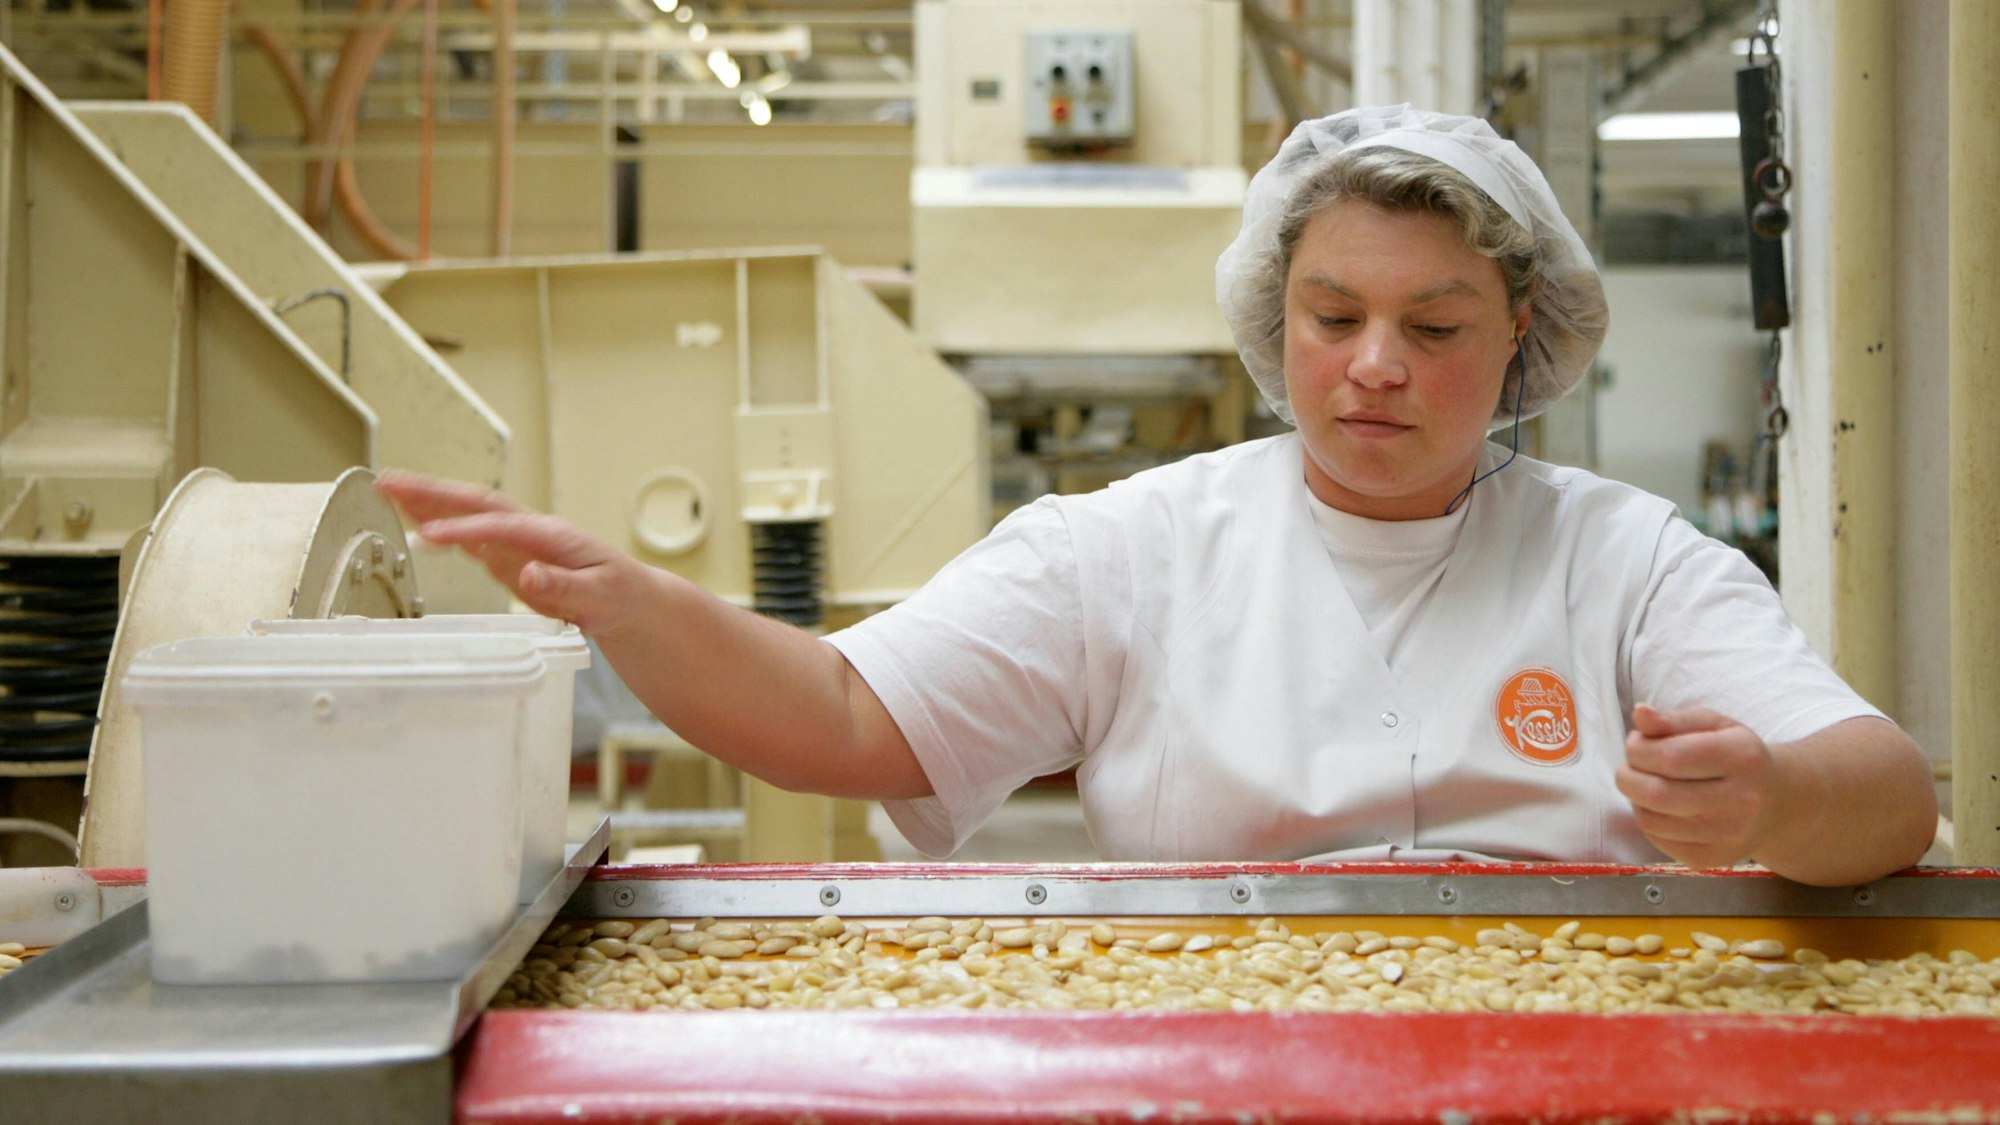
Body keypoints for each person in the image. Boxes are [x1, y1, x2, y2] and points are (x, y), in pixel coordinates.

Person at [380, 105, 1936, 887]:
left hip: (1562, 1059)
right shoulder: (1134, 546)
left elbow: (1889, 792)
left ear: (1521, 330)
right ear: (1278, 319)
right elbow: (851, 718)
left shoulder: (1619, 557)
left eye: (1436, 326)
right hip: (1210, 1055)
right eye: (1335, 319)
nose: (1377, 365)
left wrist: (1780, 801)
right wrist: (637, 604)